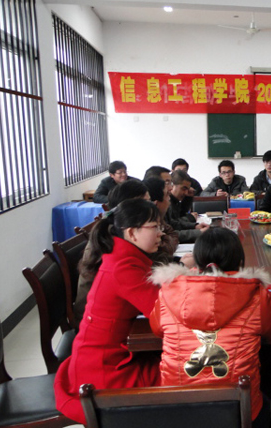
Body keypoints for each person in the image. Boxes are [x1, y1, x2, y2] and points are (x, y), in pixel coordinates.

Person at [149, 227, 271, 428]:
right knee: (263, 396)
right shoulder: (256, 295)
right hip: (237, 409)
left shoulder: (169, 292)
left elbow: (156, 329)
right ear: (240, 261)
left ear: (198, 260)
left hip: (177, 407)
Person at [54, 199, 163, 424]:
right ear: (131, 233)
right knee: (185, 374)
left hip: (96, 357)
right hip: (104, 371)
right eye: (155, 227)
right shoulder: (124, 267)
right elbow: (164, 313)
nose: (161, 233)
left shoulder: (121, 256)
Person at [73, 180, 151, 328]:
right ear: (128, 208)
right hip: (98, 322)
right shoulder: (113, 240)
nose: (151, 207)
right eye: (146, 203)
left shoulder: (121, 230)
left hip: (116, 312)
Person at [167, 170, 210, 244]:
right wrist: (197, 231)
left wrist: (195, 226)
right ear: (172, 186)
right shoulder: (166, 203)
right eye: (184, 189)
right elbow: (171, 230)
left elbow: (177, 221)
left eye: (187, 189)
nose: (186, 193)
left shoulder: (175, 201)